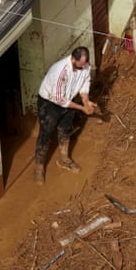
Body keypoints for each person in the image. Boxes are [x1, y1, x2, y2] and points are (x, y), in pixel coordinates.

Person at [34, 46, 96, 183]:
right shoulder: (60, 71)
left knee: (65, 130)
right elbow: (60, 100)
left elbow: (85, 82)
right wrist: (82, 108)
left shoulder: (85, 66)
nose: (82, 68)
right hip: (50, 103)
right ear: (73, 59)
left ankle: (64, 159)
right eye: (79, 65)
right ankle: (39, 167)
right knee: (46, 134)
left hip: (69, 100)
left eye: (84, 65)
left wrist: (86, 100)